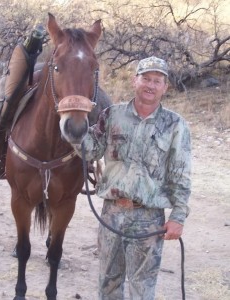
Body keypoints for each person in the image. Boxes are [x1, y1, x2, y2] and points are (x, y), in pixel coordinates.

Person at [71, 56, 191, 300]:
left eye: (157, 81)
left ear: (165, 87)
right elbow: (91, 150)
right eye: (145, 78)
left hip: (149, 219)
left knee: (142, 287)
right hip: (112, 214)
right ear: (134, 81)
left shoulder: (175, 125)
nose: (150, 85)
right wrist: (73, 127)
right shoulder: (111, 115)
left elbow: (180, 173)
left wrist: (178, 216)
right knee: (108, 283)